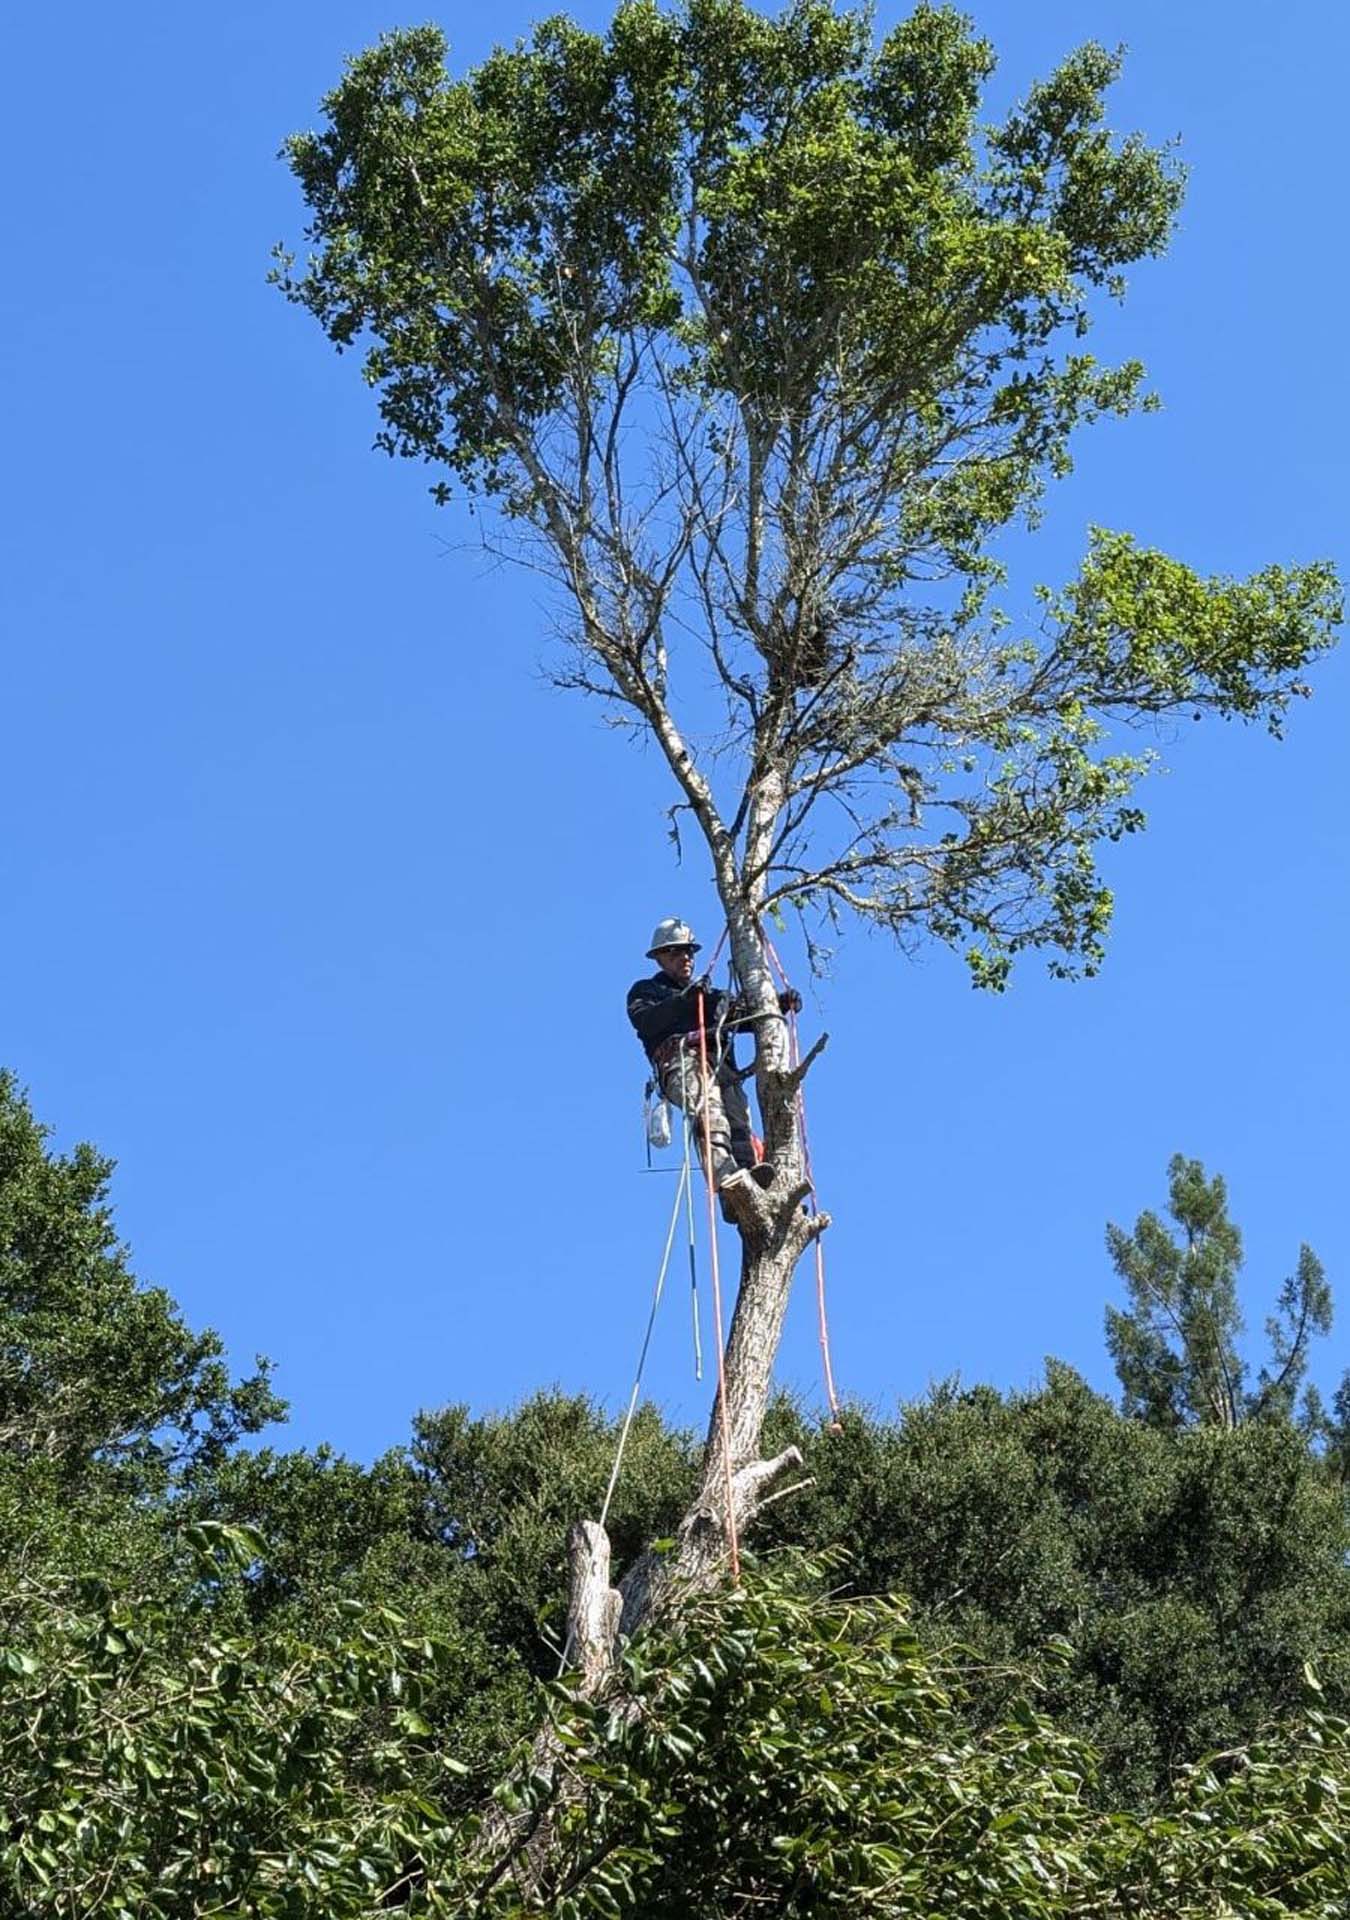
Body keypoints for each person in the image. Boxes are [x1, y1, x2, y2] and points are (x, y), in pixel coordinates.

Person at [626, 918, 800, 1207]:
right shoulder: (646, 992)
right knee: (710, 1112)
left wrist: (779, 1003)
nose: (685, 958)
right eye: (675, 952)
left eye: (689, 952)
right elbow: (647, 1021)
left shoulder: (709, 996)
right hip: (682, 1063)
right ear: (659, 958)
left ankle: (750, 1177)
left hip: (720, 1066)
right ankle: (728, 1181)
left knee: (738, 1120)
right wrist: (686, 999)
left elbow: (744, 1014)